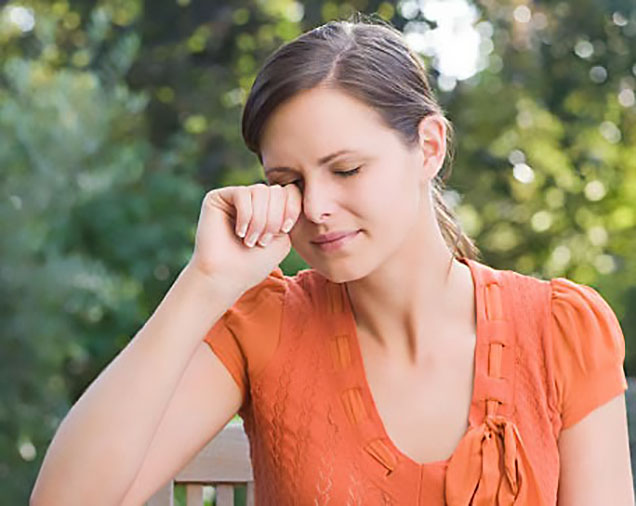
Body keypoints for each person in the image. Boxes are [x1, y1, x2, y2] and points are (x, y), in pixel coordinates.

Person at [31, 15, 634, 506]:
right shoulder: (264, 327)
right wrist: (204, 282)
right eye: (287, 180)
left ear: (428, 147)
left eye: (346, 169)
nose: (316, 207)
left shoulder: (561, 331)